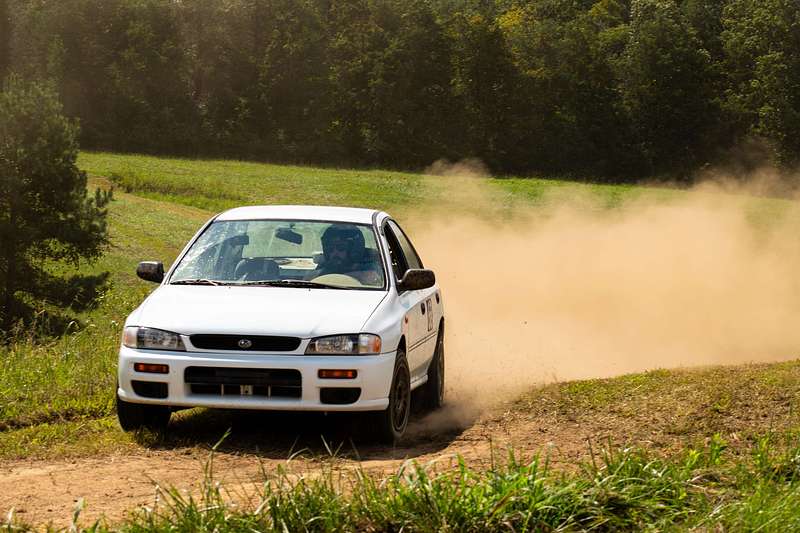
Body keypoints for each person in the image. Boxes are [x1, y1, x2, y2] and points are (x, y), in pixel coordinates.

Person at [314, 224, 381, 285]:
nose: (334, 253)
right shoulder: (325, 267)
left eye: (341, 248)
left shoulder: (370, 269)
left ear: (354, 250)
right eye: (330, 249)